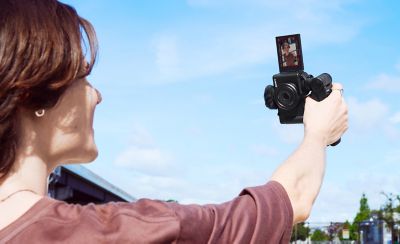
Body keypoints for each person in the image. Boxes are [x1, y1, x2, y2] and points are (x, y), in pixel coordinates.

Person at [0, 0, 348, 243]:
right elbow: (292, 201)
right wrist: (317, 135)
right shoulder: (123, 231)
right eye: (83, 78)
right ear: (32, 93)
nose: (96, 95)